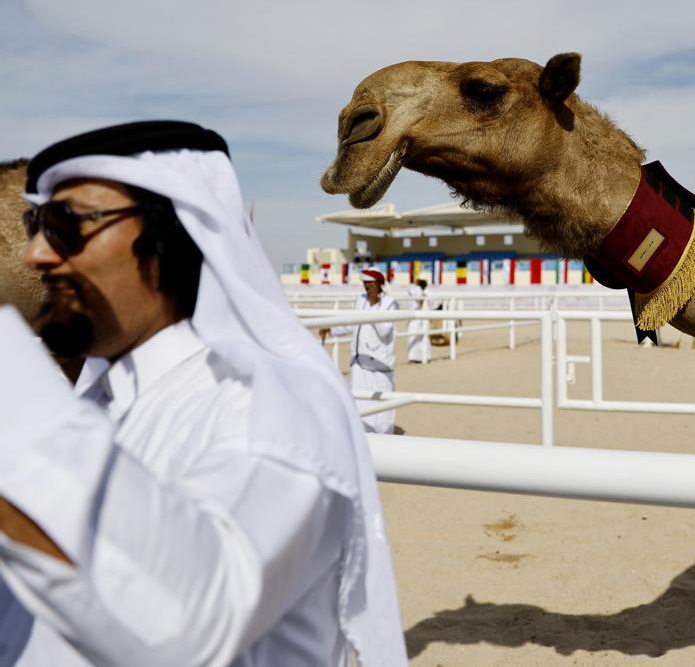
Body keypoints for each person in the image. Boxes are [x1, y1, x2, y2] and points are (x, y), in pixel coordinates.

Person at [0, 121, 405, 665]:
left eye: (68, 225)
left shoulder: (270, 404)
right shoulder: (97, 402)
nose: (37, 255)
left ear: (173, 234)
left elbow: (189, 621)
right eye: (37, 224)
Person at [319, 269, 402, 434]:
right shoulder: (360, 300)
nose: (367, 287)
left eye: (370, 283)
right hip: (359, 362)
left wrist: (373, 306)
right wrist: (331, 328)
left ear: (379, 284)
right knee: (359, 404)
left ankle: (386, 440)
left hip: (379, 364)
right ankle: (363, 438)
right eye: (365, 283)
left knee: (382, 406)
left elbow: (384, 330)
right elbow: (352, 323)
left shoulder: (389, 304)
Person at [406, 278, 432, 363]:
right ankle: (419, 356)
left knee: (417, 336)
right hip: (416, 316)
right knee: (418, 336)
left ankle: (418, 357)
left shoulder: (419, 290)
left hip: (417, 317)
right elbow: (419, 299)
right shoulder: (416, 289)